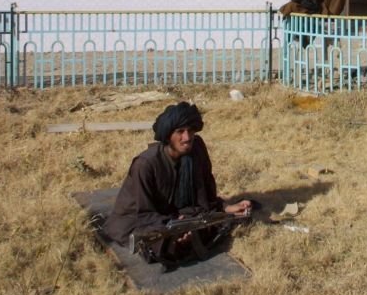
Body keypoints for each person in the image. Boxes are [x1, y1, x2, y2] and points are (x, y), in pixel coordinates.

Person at [102, 101, 253, 264]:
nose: (187, 138)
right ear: (168, 136)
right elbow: (144, 213)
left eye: (190, 131)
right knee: (163, 244)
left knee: (220, 223)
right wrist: (173, 228)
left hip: (177, 214)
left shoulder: (197, 148)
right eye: (180, 132)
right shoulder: (145, 164)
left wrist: (225, 208)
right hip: (140, 219)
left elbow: (204, 195)